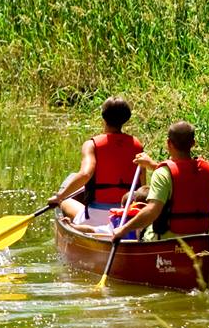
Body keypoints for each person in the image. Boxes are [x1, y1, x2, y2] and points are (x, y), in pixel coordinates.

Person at [101, 121, 209, 242]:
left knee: (140, 230)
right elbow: (183, 177)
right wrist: (153, 165)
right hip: (200, 240)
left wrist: (123, 229)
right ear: (193, 143)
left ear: (168, 143)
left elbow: (152, 211)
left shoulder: (163, 173)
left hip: (166, 240)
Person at [48, 96, 143, 229]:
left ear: (103, 118)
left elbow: (86, 174)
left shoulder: (91, 145)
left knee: (65, 202)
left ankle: (75, 221)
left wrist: (59, 197)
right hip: (127, 215)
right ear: (126, 119)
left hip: (97, 216)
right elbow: (142, 184)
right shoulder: (137, 145)